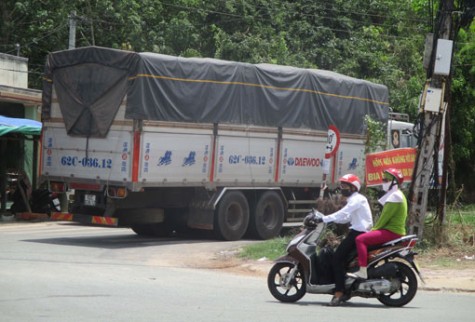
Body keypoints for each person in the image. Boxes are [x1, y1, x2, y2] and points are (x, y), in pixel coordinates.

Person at [310, 173, 373, 306]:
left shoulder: (357, 199)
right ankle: (346, 286)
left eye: (345, 186)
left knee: (336, 259)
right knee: (340, 257)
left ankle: (339, 292)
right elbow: (345, 217)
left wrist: (324, 218)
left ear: (353, 188)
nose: (342, 188)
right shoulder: (355, 200)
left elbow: (344, 213)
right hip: (356, 232)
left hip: (358, 234)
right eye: (341, 185)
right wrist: (329, 220)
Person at [349, 168, 407, 280]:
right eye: (383, 179)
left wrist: (374, 229)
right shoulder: (398, 195)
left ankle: (362, 271)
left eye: (386, 180)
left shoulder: (394, 197)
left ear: (394, 181)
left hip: (391, 231)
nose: (383, 182)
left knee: (360, 239)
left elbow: (384, 219)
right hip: (393, 231)